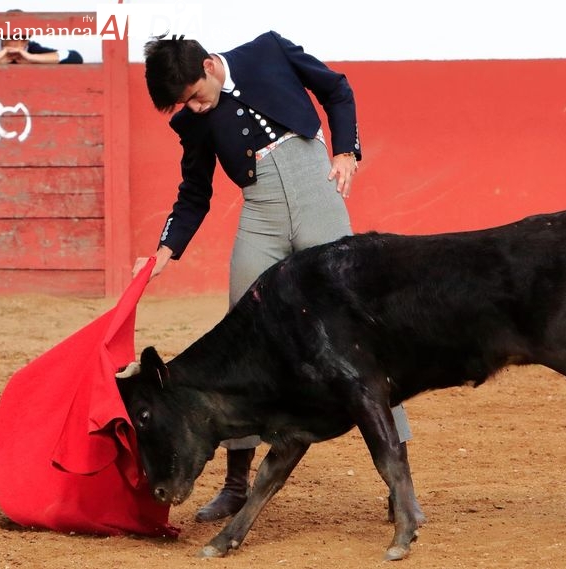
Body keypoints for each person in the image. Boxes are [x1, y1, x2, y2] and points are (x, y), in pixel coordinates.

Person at [133, 32, 425, 525]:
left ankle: (401, 487)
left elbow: (336, 89)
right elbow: (194, 192)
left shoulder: (268, 51)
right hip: (261, 219)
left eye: (196, 97)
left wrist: (347, 149)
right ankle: (233, 487)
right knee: (238, 342)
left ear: (208, 65)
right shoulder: (194, 121)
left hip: (319, 202)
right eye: (186, 105)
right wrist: (165, 250)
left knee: (363, 338)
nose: (197, 110)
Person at [0, 36, 83, 64]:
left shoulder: (33, 49)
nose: (19, 44)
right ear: (1, 36)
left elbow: (74, 57)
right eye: (14, 38)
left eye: (24, 38)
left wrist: (33, 58)